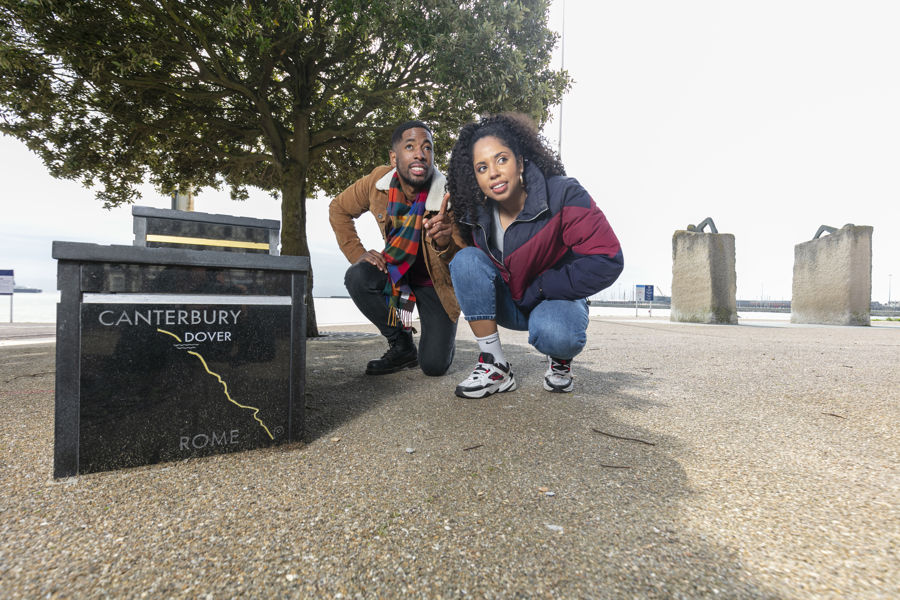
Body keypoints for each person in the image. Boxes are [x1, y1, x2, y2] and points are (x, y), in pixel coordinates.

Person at [446, 113, 623, 398]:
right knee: (465, 260)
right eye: (482, 167)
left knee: (558, 335)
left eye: (501, 159)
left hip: (554, 300)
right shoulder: (475, 214)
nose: (493, 172)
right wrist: (446, 237)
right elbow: (470, 274)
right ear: (475, 177)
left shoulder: (564, 194)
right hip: (511, 302)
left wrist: (542, 286)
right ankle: (495, 366)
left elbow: (607, 258)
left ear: (520, 160)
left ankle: (560, 359)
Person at [329, 120, 459, 376]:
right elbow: (338, 209)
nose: (420, 154)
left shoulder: (449, 194)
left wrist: (447, 240)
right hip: (398, 275)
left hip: (436, 284)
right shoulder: (379, 181)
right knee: (358, 275)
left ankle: (437, 340)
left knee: (434, 366)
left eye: (427, 148)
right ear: (393, 157)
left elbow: (466, 256)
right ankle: (402, 346)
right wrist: (359, 254)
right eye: (410, 146)